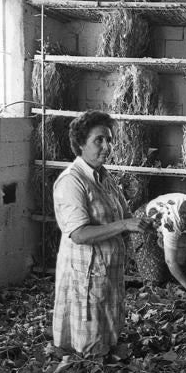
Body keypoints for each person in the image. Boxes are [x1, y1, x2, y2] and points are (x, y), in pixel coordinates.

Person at [52, 110, 153, 356]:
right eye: (99, 140)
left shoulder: (104, 177)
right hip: (85, 271)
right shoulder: (72, 181)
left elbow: (124, 216)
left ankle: (103, 362)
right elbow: (79, 234)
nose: (107, 146)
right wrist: (124, 226)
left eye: (109, 140)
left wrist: (144, 222)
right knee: (86, 340)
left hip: (106, 270)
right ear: (80, 144)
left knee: (106, 330)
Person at [144, 192, 186, 300]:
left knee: (175, 260)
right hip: (144, 223)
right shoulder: (171, 227)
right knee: (155, 275)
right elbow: (170, 262)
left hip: (157, 208)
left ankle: (177, 282)